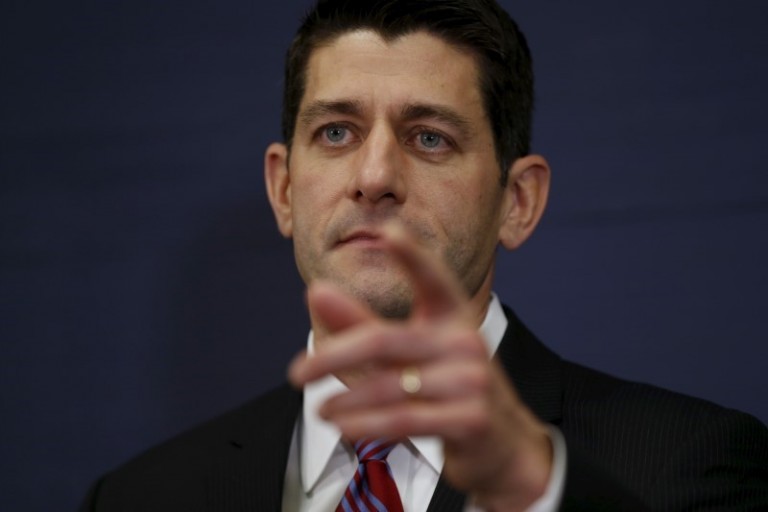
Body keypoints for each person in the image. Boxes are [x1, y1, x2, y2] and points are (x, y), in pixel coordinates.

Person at [80, 0, 768, 510]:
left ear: (518, 201)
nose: (374, 175)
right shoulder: (140, 497)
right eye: (337, 131)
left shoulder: (690, 466)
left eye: (430, 137)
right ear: (284, 190)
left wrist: (535, 490)